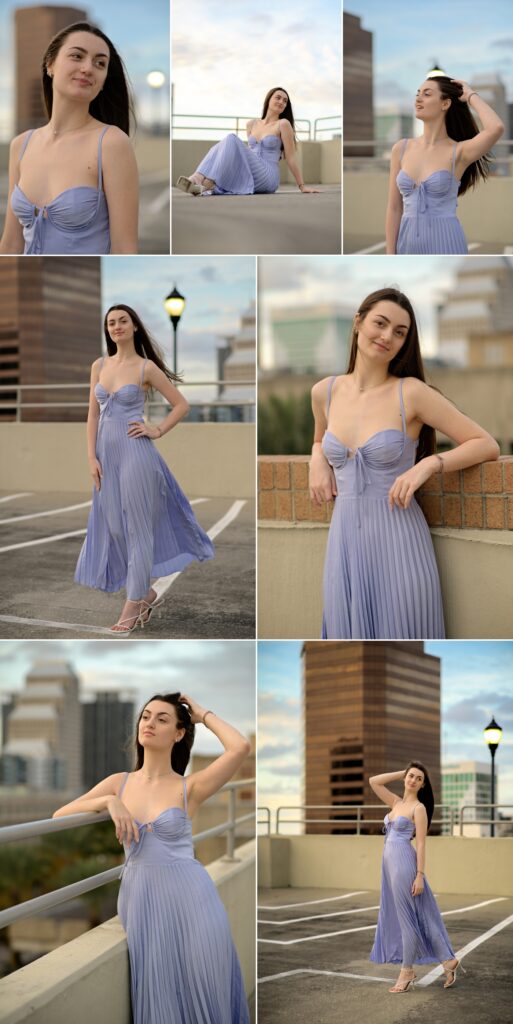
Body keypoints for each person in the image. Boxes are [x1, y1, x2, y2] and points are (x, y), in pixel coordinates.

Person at [309, 287, 499, 639]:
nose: (387, 337)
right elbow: (320, 437)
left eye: (400, 332)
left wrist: (427, 465)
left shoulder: (410, 392)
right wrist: (316, 457)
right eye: (380, 324)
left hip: (400, 540)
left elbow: (485, 444)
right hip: (344, 543)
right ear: (357, 323)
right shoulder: (324, 392)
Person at [53, 692, 251, 1023]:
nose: (149, 723)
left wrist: (202, 714)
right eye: (145, 716)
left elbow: (240, 747)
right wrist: (107, 803)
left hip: (194, 902)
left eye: (162, 719)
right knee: (160, 996)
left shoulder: (191, 787)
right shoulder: (119, 783)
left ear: (178, 734)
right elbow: (60, 815)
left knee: (204, 990)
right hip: (141, 902)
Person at [74, 304, 214, 633]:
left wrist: (157, 430)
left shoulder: (145, 368)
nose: (117, 326)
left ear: (134, 326)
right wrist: (91, 458)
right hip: (106, 458)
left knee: (138, 531)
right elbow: (93, 414)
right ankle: (147, 593)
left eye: (123, 321)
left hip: (137, 455)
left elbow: (181, 405)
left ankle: (132, 607)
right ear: (107, 329)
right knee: (115, 528)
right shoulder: (99, 365)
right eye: (111, 322)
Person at [0, 21, 138, 255]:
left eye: (100, 63)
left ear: (104, 80)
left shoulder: (111, 143)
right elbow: (11, 244)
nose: (88, 68)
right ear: (50, 64)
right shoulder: (21, 145)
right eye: (77, 56)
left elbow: (125, 248)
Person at [369, 763, 465, 993]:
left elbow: (421, 843)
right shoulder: (395, 802)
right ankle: (448, 960)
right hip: (389, 866)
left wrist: (419, 875)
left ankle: (407, 972)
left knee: (407, 920)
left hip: (404, 864)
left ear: (422, 785)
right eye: (410, 776)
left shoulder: (418, 808)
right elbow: (374, 781)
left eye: (418, 778)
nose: (412, 780)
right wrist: (402, 772)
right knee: (419, 915)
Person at [386, 76, 504, 255]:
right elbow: (394, 208)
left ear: (445, 104)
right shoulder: (401, 149)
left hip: (446, 241)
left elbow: (495, 127)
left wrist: (470, 94)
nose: (418, 98)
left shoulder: (459, 152)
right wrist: (390, 253)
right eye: (417, 94)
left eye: (427, 94)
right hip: (407, 242)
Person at [176, 86, 319, 196]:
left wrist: (302, 186)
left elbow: (291, 158)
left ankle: (203, 182)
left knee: (231, 139)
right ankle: (198, 181)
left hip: (268, 175)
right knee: (219, 146)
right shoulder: (251, 124)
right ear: (269, 99)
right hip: (253, 171)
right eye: (278, 97)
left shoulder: (283, 124)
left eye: (285, 101)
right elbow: (248, 154)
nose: (281, 102)